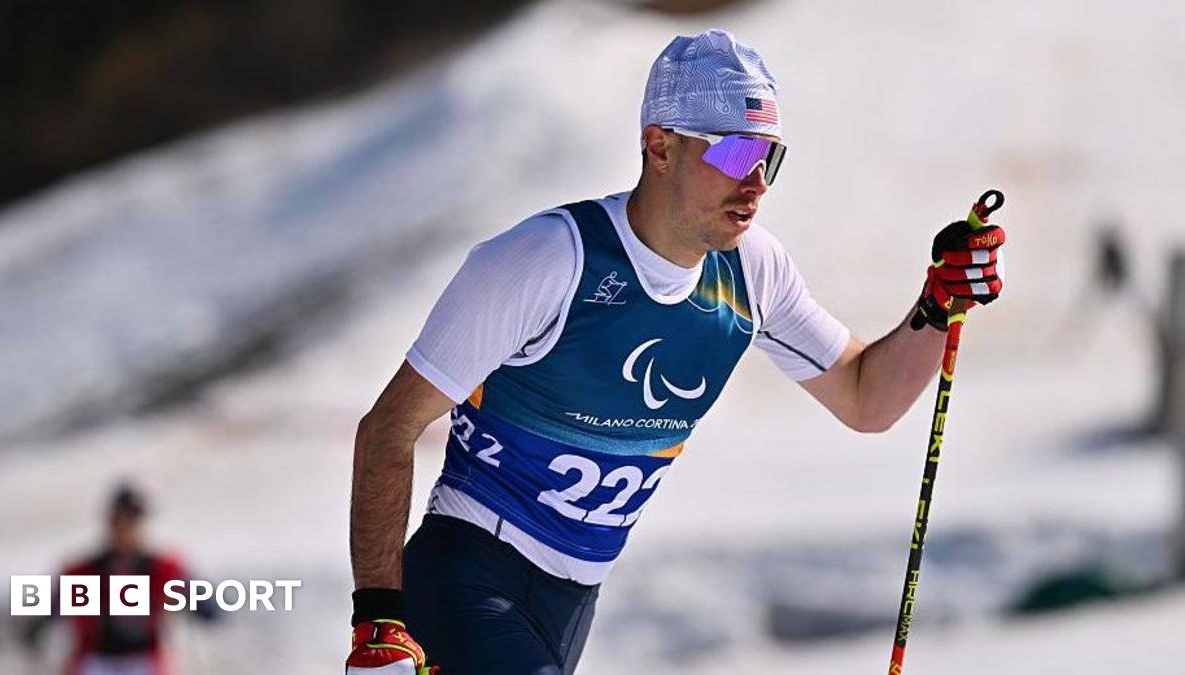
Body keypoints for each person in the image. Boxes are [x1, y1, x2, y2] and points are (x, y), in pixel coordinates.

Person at [345, 28, 1005, 675]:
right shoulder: (550, 258)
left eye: (769, 158)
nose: (757, 183)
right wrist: (378, 621)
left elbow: (868, 398)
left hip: (573, 599)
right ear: (660, 147)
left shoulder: (753, 271)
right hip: (468, 573)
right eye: (736, 155)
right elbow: (389, 429)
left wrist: (936, 305)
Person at [23, 482, 216, 675]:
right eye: (120, 519)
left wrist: (191, 601)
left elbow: (208, 609)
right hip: (96, 659)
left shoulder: (161, 568)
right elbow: (46, 615)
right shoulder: (84, 571)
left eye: (131, 519)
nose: (125, 527)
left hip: (144, 658)